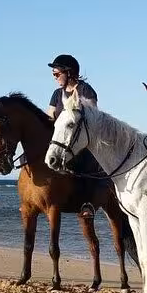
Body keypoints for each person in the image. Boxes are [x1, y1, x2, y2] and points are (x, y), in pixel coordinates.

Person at [46, 54, 100, 219]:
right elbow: (50, 117)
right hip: (61, 137)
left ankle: (88, 203)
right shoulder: (57, 94)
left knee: (86, 159)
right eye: (53, 75)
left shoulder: (86, 90)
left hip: (81, 138)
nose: (54, 78)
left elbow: (92, 117)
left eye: (57, 74)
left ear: (68, 72)